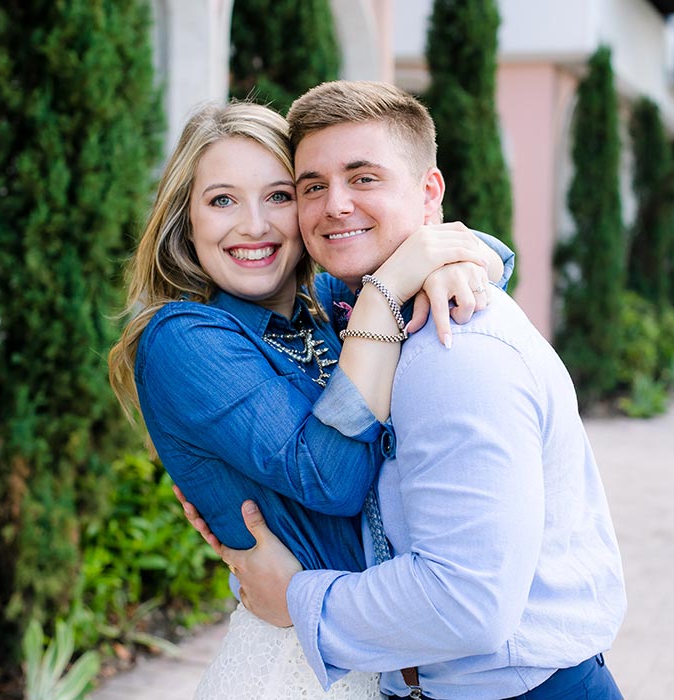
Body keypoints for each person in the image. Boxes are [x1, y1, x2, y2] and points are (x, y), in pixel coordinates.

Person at [180, 80, 627, 700]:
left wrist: (295, 598)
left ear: (428, 193)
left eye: (364, 178)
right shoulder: (359, 311)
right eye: (312, 186)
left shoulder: (451, 352)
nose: (335, 205)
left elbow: (467, 603)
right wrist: (442, 265)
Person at [107, 100, 512, 699]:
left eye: (278, 196)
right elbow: (335, 479)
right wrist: (380, 300)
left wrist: (454, 265)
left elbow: (488, 253)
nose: (255, 226)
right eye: (222, 200)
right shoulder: (183, 339)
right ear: (183, 220)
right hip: (292, 669)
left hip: (371, 652)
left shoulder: (319, 305)